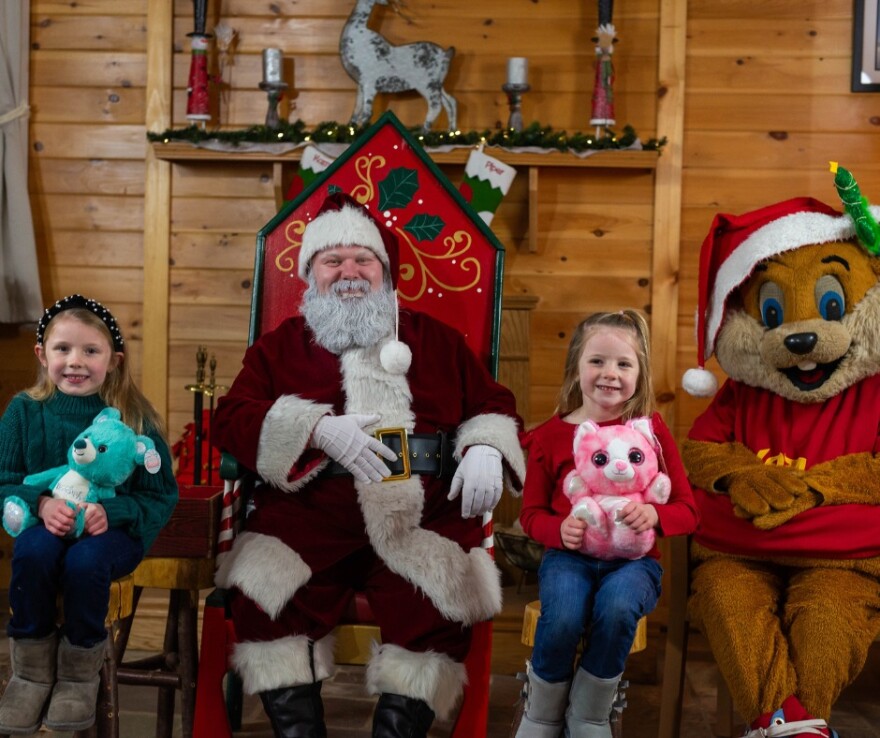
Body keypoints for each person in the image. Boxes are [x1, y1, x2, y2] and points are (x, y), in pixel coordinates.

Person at [211, 192, 526, 738]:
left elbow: (493, 405)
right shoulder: (279, 347)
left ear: (385, 272)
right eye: (333, 261)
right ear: (312, 274)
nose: (350, 271)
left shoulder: (436, 341)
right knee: (264, 592)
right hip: (307, 522)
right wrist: (312, 428)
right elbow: (233, 417)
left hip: (419, 519)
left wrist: (485, 447)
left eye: (364, 259)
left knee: (439, 602)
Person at [0, 294, 178, 735]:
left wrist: (110, 511)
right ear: (42, 354)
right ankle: (30, 674)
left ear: (114, 360)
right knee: (33, 552)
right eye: (63, 349)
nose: (75, 362)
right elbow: (4, 481)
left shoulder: (135, 420)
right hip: (48, 524)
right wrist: (40, 504)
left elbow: (161, 497)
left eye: (91, 351)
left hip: (113, 535)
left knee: (85, 561)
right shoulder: (23, 412)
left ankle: (78, 676)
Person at [516, 310, 698, 738]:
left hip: (634, 564)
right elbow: (530, 515)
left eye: (623, 364)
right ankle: (541, 712)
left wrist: (655, 514)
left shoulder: (651, 433)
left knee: (617, 608)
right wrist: (558, 530)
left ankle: (591, 712)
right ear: (576, 366)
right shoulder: (550, 437)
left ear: (641, 372)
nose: (609, 374)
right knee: (562, 615)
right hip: (569, 559)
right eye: (597, 361)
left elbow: (689, 510)